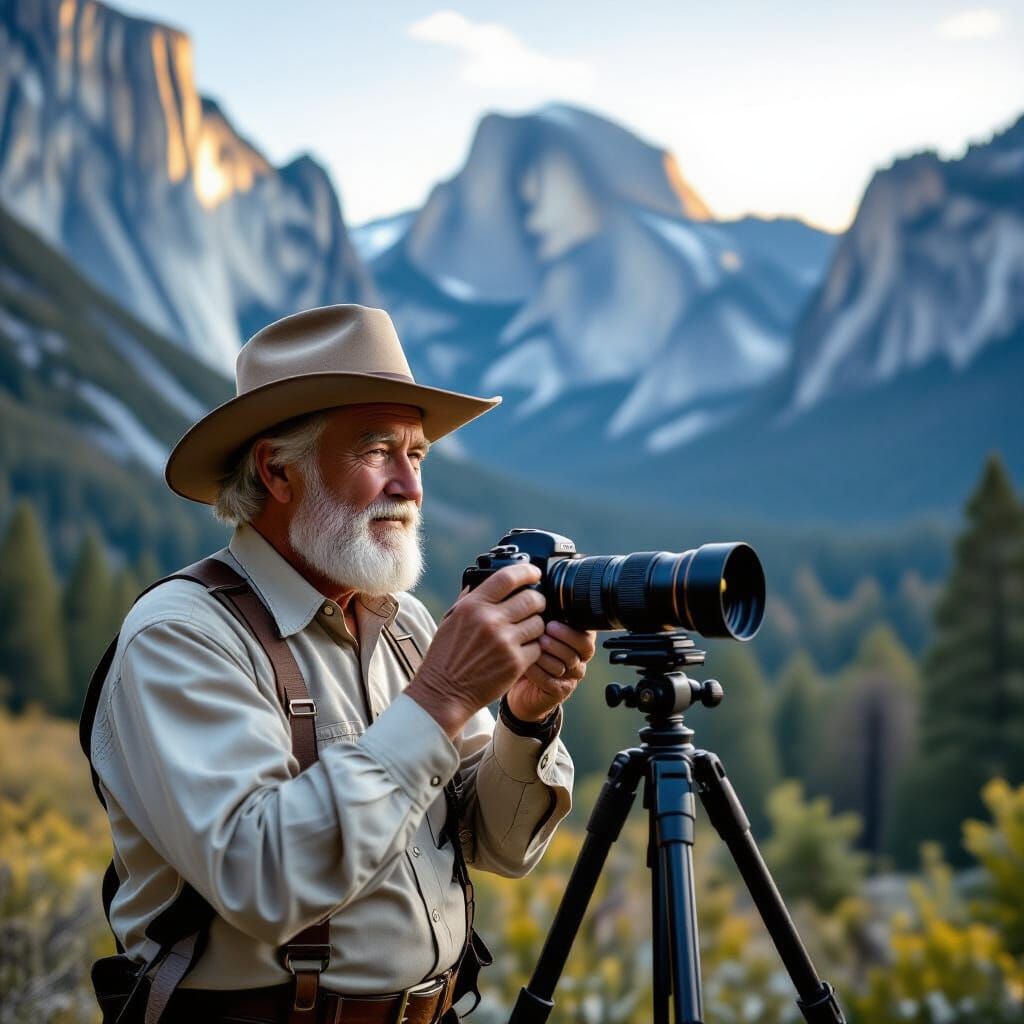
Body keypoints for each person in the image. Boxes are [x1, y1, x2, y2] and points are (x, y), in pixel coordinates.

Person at [87, 304, 596, 1023]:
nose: (410, 487)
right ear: (277, 470)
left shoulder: (406, 624)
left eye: (415, 455)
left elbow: (501, 846)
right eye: (377, 450)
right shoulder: (182, 635)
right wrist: (443, 697)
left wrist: (527, 713)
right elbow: (262, 878)